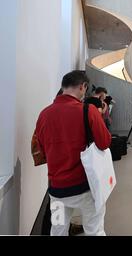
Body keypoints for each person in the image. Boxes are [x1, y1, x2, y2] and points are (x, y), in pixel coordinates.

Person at [35, 70, 112, 236]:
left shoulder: (43, 115)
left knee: (57, 230)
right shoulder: (88, 110)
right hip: (86, 187)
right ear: (83, 86)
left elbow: (42, 150)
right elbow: (105, 142)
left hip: (56, 190)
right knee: (95, 229)